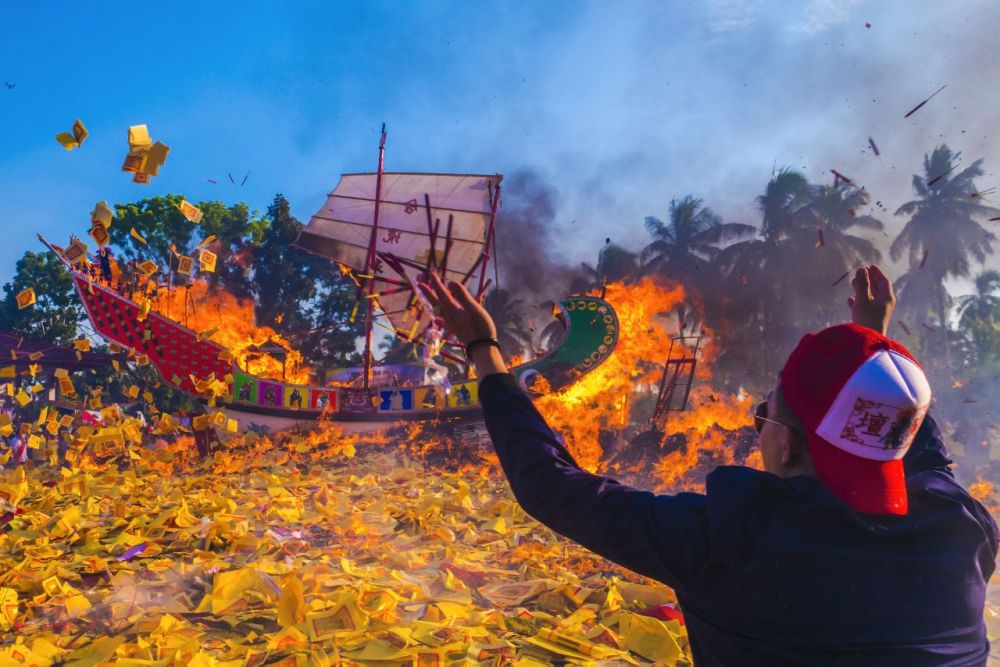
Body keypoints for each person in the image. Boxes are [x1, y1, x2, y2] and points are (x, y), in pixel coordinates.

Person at [422, 266, 999, 666]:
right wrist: (873, 347)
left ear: (789, 445)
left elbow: (550, 484)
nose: (759, 427)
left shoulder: (732, 540)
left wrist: (483, 349)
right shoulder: (963, 527)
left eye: (764, 416)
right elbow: (899, 432)